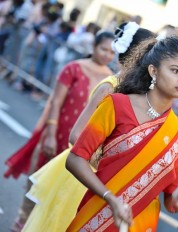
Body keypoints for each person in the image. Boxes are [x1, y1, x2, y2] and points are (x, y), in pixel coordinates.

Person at [21, 22, 156, 232]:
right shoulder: (109, 87)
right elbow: (77, 135)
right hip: (82, 178)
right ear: (137, 57)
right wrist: (105, 162)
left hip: (103, 181)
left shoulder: (136, 95)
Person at [66, 35, 178, 232]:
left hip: (140, 225)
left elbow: (171, 202)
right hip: (98, 215)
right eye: (175, 70)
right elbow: (75, 159)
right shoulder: (116, 105)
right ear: (153, 71)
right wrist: (110, 198)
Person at [6, 31, 115, 231]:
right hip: (57, 135)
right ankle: (22, 220)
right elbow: (56, 101)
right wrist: (50, 135)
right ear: (93, 47)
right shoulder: (73, 68)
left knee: (61, 194)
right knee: (40, 181)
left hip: (80, 147)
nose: (108, 54)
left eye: (112, 51)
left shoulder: (112, 81)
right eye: (103, 49)